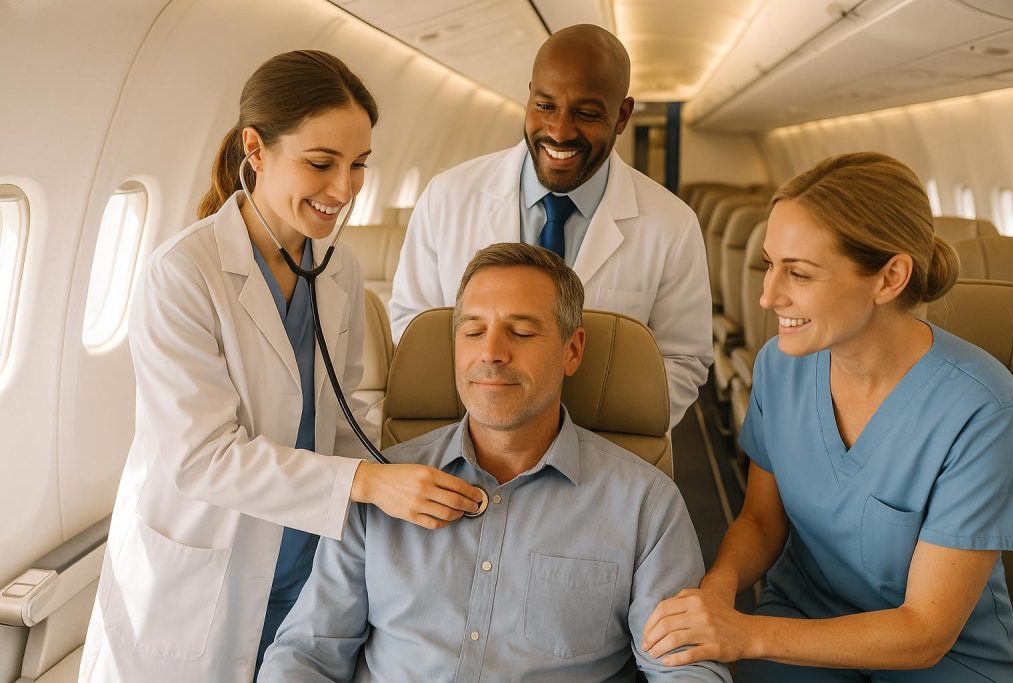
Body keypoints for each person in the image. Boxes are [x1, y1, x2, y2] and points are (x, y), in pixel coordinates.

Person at [79, 50, 483, 683]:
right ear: (256, 149)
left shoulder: (339, 269)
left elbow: (340, 418)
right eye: (321, 163)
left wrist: (405, 478)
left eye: (358, 167)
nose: (344, 190)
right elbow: (201, 457)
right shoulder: (183, 274)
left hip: (305, 556)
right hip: (205, 567)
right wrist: (366, 484)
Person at [258, 243, 730, 682]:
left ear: (573, 350)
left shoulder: (645, 504)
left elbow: (686, 670)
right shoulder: (380, 487)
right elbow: (307, 652)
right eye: (474, 331)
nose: (491, 353)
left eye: (521, 332)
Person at [641, 152, 1013, 681]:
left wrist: (745, 633)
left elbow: (924, 633)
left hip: (941, 662)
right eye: (770, 263)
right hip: (800, 622)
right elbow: (759, 521)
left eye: (798, 273)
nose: (768, 294)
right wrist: (717, 591)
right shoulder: (780, 365)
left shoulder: (982, 409)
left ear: (889, 277)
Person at [388, 24, 712, 428]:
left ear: (622, 115)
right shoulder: (447, 197)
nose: (559, 131)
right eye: (545, 106)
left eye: (587, 114)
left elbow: (684, 359)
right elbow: (413, 328)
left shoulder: (672, 224)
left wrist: (594, 442)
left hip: (603, 458)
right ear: (528, 96)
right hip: (465, 441)